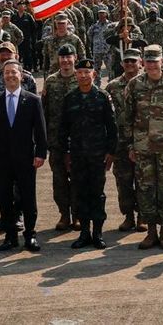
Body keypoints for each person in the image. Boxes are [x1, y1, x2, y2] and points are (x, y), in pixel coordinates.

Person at [121, 45, 163, 250]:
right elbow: (127, 117)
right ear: (143, 62)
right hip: (142, 147)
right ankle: (151, 231)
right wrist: (130, 145)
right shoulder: (134, 85)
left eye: (155, 61)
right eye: (148, 61)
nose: (151, 65)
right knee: (145, 189)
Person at [0, 60, 48, 252]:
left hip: (26, 158)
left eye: (14, 72)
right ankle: (10, 236)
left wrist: (41, 153)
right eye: (7, 73)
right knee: (3, 196)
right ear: (3, 77)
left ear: (22, 76)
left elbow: (40, 130)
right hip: (1, 159)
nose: (10, 76)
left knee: (28, 197)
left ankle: (30, 234)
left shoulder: (32, 100)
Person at [59, 58, 118, 250]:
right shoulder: (70, 98)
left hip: (97, 155)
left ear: (94, 74)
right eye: (80, 72)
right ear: (76, 75)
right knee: (80, 193)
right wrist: (66, 153)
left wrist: (111, 152)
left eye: (87, 72)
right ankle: (84, 233)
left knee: (97, 194)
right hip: (77, 155)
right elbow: (63, 129)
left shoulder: (102, 96)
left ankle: (98, 233)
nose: (83, 76)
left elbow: (112, 127)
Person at [104, 48, 147, 232]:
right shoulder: (112, 86)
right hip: (121, 143)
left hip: (144, 141)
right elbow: (106, 117)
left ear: (141, 63)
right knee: (123, 181)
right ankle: (128, 216)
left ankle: (143, 218)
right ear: (121, 64)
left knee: (144, 181)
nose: (130, 64)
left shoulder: (148, 83)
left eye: (133, 61)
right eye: (127, 61)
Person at [43, 44, 80, 231]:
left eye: (69, 57)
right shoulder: (51, 81)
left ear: (75, 57)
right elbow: (45, 111)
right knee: (59, 180)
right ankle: (64, 214)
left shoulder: (81, 78)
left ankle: (78, 215)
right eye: (62, 57)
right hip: (56, 139)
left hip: (78, 140)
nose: (65, 61)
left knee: (78, 179)